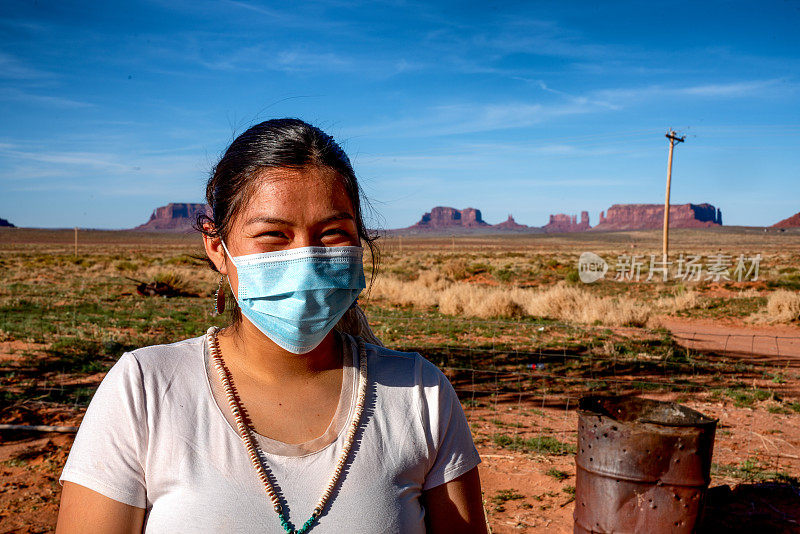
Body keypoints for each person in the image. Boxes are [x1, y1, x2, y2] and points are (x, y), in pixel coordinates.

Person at [56, 118, 486, 533]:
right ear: (217, 248)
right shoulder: (145, 390)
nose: (307, 259)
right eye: (274, 235)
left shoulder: (421, 395)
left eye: (333, 233)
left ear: (359, 241)